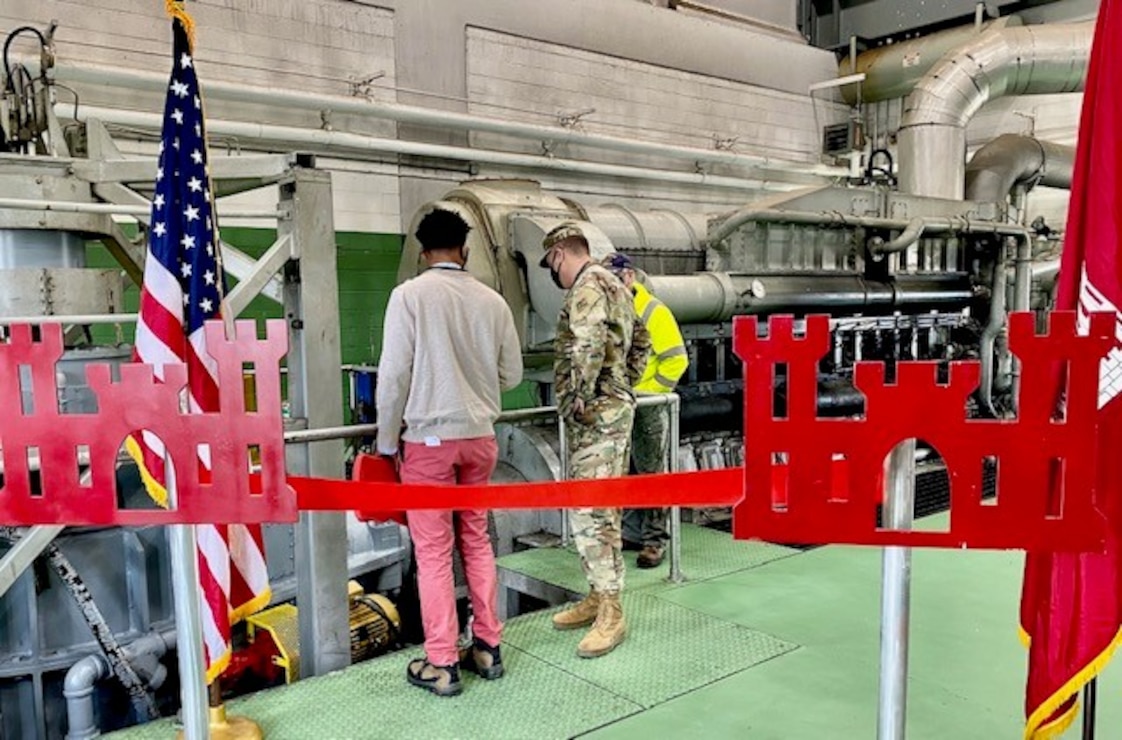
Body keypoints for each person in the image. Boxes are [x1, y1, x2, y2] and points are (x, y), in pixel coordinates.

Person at [376, 207, 523, 697]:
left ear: (422, 253)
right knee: (477, 540)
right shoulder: (492, 301)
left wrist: (384, 441)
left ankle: (441, 662)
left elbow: (394, 375)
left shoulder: (409, 297)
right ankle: (488, 646)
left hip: (429, 442)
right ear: (465, 250)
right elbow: (513, 376)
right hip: (480, 438)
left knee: (435, 552)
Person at [539, 223, 650, 658]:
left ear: (562, 253)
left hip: (597, 414)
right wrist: (623, 384)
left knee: (591, 509)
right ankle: (597, 595)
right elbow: (641, 339)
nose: (555, 273)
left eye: (552, 264)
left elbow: (585, 344)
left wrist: (581, 397)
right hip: (613, 407)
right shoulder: (617, 284)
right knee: (601, 505)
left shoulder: (587, 285)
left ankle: (612, 612)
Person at [602, 253, 688, 569]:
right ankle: (633, 533)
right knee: (627, 472)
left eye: (612, 280)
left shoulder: (653, 312)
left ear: (628, 277)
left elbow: (677, 359)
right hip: (621, 404)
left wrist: (651, 394)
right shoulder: (612, 311)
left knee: (651, 473)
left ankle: (655, 541)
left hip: (647, 406)